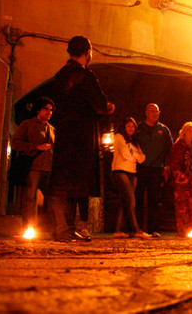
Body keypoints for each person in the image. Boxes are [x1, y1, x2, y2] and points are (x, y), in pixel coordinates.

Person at [47, 36, 115, 242]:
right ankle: (64, 228)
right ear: (88, 52)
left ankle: (63, 227)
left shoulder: (59, 75)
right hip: (82, 136)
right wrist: (109, 107)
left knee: (61, 181)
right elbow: (100, 104)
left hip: (63, 135)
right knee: (79, 182)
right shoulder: (86, 76)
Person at [11, 97, 55, 234]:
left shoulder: (52, 129)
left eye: (51, 110)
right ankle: (28, 227)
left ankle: (49, 228)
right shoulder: (27, 125)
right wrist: (36, 147)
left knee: (52, 198)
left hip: (49, 168)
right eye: (45, 109)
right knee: (30, 198)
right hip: (33, 167)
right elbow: (16, 143)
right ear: (38, 110)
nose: (49, 112)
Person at [135, 103, 173, 238]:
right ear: (146, 112)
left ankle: (154, 229)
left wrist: (167, 167)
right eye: (151, 111)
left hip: (157, 168)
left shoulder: (164, 130)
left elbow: (170, 150)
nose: (154, 113)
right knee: (137, 199)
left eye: (156, 111)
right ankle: (137, 228)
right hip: (139, 168)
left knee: (155, 200)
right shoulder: (138, 128)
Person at [111, 117, 150, 239]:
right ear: (124, 127)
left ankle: (118, 230)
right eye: (128, 126)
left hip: (132, 172)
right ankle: (136, 229)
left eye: (133, 126)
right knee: (131, 200)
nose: (131, 128)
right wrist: (135, 156)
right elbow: (125, 153)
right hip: (120, 171)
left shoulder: (134, 141)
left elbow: (142, 158)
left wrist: (134, 155)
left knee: (124, 202)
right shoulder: (118, 137)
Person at [168, 122, 192, 238]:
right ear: (184, 132)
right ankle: (181, 231)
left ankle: (189, 231)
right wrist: (183, 177)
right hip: (182, 183)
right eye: (189, 130)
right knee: (182, 208)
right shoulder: (178, 146)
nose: (191, 133)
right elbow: (174, 165)